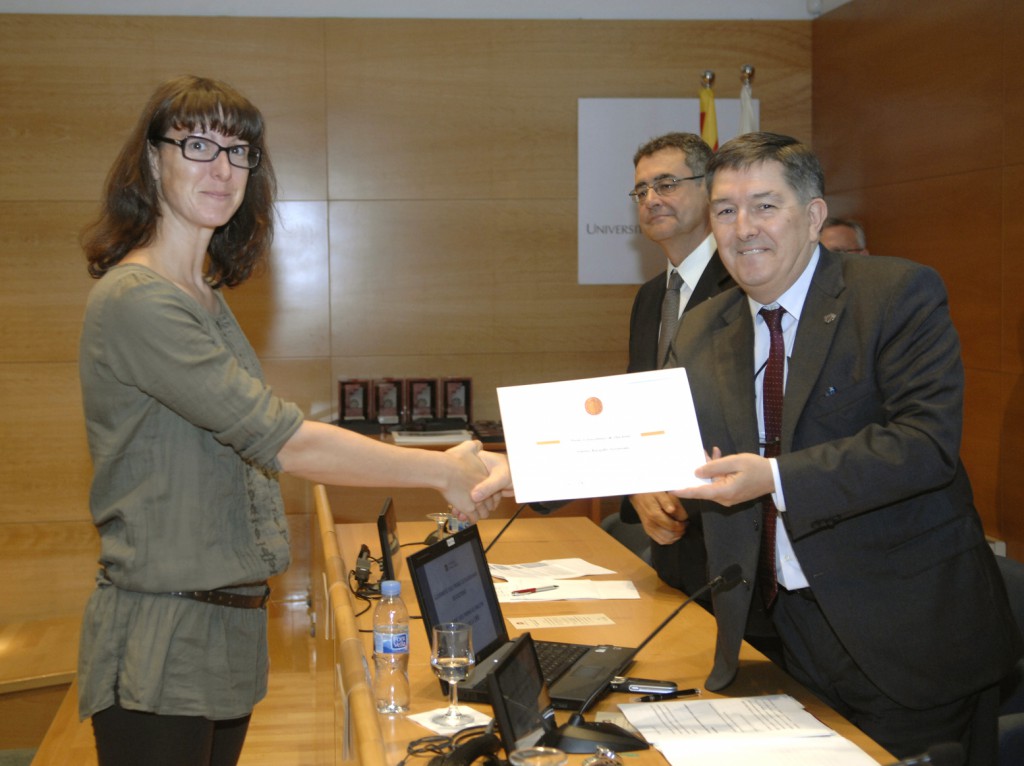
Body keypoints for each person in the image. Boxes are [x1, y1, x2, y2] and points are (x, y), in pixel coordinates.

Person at [77, 75, 510, 766]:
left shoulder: (205, 298)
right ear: (152, 159)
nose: (222, 168)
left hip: (226, 625)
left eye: (240, 151)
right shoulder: (139, 300)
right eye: (197, 145)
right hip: (163, 635)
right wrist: (440, 471)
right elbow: (280, 439)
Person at [665, 131, 1020, 762]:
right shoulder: (705, 326)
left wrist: (774, 477)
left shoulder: (893, 294)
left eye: (765, 205)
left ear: (814, 215)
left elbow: (924, 444)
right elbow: (675, 445)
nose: (744, 228)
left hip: (908, 641)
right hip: (780, 636)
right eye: (725, 210)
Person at [617, 133, 734, 605]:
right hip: (669, 542)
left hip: (730, 538)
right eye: (641, 191)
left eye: (665, 184)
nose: (651, 200)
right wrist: (638, 485)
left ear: (710, 189)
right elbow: (637, 410)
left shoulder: (743, 284)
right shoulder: (650, 297)